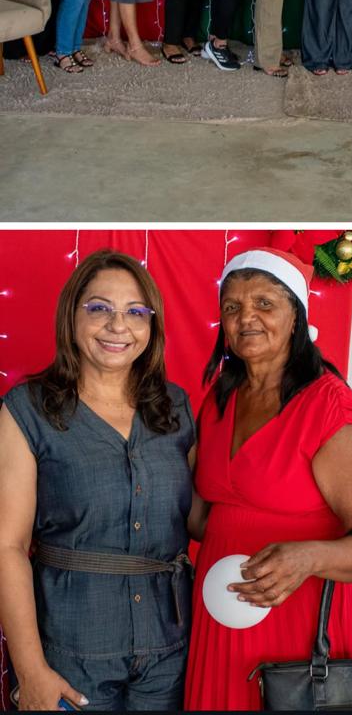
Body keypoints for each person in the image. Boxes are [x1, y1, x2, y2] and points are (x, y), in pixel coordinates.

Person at [184, 248, 352, 709]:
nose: (246, 318)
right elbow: (202, 522)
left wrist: (308, 558)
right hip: (219, 625)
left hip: (297, 628)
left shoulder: (330, 409)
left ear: (296, 315)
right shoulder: (218, 400)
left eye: (264, 303)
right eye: (232, 307)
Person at [0, 250, 195, 711]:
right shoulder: (27, 409)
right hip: (68, 654)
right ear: (72, 316)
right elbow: (6, 546)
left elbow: (202, 517)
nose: (117, 325)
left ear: (152, 325)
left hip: (169, 653)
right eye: (99, 308)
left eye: (135, 312)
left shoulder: (175, 407)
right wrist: (30, 670)